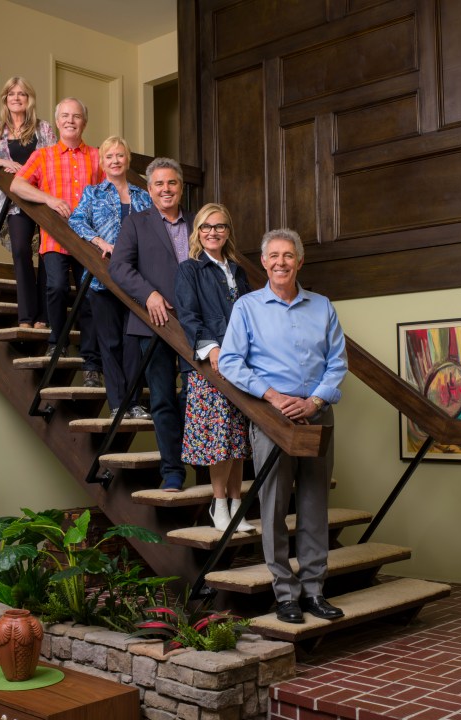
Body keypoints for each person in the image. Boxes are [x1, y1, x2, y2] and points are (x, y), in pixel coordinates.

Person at [218, 228, 348, 624]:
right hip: (273, 421)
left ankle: (313, 591)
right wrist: (272, 396)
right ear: (263, 262)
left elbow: (337, 363)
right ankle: (285, 594)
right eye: (273, 255)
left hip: (317, 415)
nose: (280, 262)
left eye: (288, 255)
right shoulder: (247, 307)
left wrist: (315, 401)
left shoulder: (323, 306)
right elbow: (230, 362)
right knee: (273, 507)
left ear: (299, 261)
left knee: (313, 504)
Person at [110, 158, 194, 492]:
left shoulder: (199, 223)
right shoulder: (136, 223)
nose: (166, 189)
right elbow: (118, 267)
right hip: (154, 324)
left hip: (194, 326)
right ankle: (172, 471)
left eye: (171, 183)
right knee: (161, 399)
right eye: (159, 184)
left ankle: (198, 459)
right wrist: (150, 295)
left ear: (181, 187)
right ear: (149, 189)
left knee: (195, 395)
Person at [10, 97, 103, 387]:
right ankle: (57, 342)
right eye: (65, 116)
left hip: (89, 240)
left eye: (76, 116)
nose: (70, 120)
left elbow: (109, 190)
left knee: (89, 299)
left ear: (84, 122)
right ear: (57, 121)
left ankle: (91, 362)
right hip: (55, 237)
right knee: (57, 287)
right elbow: (17, 184)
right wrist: (49, 198)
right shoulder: (43, 155)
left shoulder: (98, 156)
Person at [174, 204, 255, 532]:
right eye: (206, 227)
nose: (213, 232)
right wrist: (214, 349)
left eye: (220, 226)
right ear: (197, 231)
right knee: (218, 440)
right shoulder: (189, 269)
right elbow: (188, 315)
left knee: (237, 440)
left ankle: (237, 507)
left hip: (241, 364)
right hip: (210, 366)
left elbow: (250, 316)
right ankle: (218, 505)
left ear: (227, 232)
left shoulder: (237, 270)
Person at [68, 136, 153, 419]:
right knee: (110, 342)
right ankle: (118, 403)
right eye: (109, 157)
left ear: (127, 160)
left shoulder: (144, 196)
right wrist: (100, 242)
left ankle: (134, 402)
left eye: (120, 156)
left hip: (137, 281)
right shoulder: (93, 193)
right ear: (102, 162)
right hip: (101, 281)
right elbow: (76, 221)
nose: (115, 161)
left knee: (133, 345)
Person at [0, 76, 56, 330]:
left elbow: (53, 162)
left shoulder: (43, 129)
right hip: (13, 202)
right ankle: (27, 316)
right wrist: (3, 162)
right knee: (21, 252)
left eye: (22, 94)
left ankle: (44, 317)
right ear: (6, 98)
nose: (17, 98)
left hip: (42, 200)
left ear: (29, 99)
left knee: (47, 255)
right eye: (12, 94)